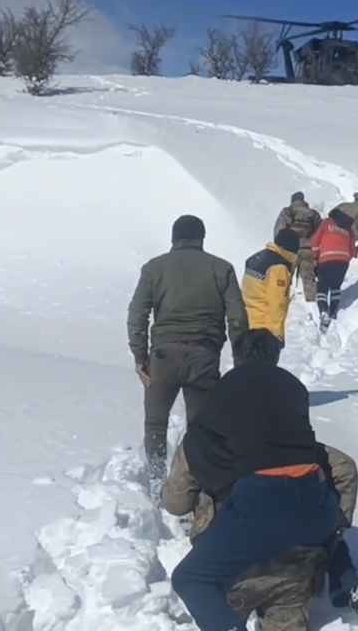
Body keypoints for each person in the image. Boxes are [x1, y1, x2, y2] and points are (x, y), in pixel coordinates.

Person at [169, 329, 342, 631]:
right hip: (311, 524)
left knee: (190, 578)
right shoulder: (292, 393)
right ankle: (342, 572)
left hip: (254, 522)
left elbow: (176, 501)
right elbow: (341, 466)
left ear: (236, 357)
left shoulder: (221, 397)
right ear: (275, 357)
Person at [163, 439, 358, 631]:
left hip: (231, 568)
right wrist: (336, 528)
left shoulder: (203, 440)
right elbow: (344, 467)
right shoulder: (295, 439)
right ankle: (345, 579)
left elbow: (176, 503)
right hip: (294, 569)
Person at [126, 214, 249, 476]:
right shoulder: (221, 268)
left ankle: (158, 480)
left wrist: (140, 357)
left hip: (163, 356)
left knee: (156, 424)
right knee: (201, 427)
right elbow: (238, 319)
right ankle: (192, 485)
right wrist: (240, 364)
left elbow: (137, 314)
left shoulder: (154, 268)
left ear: (174, 238)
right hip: (204, 356)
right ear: (201, 239)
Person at [242, 229, 300, 344]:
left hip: (247, 322)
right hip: (263, 329)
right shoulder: (278, 267)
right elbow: (275, 303)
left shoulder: (256, 258)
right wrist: (276, 335)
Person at [310, 208, 357, 333]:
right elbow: (352, 248)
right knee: (336, 285)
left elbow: (315, 240)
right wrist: (345, 258)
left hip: (327, 258)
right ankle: (333, 311)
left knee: (322, 287)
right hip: (343, 260)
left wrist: (315, 257)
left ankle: (324, 311)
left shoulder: (326, 223)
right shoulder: (348, 228)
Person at [272, 192, 322, 303]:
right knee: (308, 275)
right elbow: (320, 232)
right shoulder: (313, 214)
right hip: (308, 249)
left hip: (290, 250)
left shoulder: (287, 212)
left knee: (284, 276)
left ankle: (281, 300)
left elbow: (279, 230)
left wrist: (278, 248)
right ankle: (312, 301)